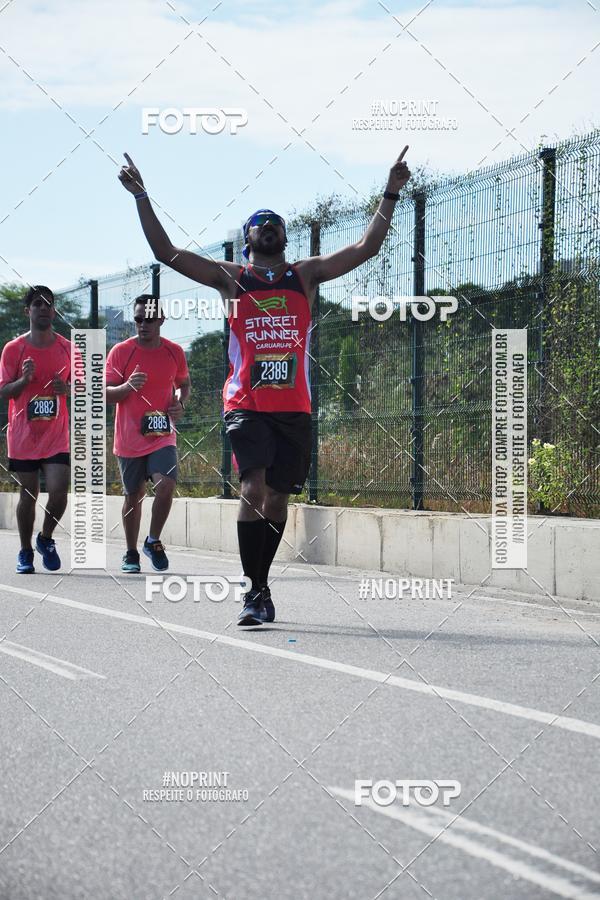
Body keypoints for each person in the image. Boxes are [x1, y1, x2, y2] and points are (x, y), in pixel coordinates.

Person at [118, 148, 411, 623]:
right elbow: (165, 252)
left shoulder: (306, 274)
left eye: (275, 222)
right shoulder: (232, 279)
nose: (268, 226)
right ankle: (253, 591)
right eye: (259, 222)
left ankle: (261, 582)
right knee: (252, 488)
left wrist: (392, 191)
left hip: (294, 408)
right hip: (245, 404)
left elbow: (365, 248)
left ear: (283, 236)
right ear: (248, 238)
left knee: (278, 498)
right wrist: (142, 196)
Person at [105, 295, 191, 573]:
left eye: (149, 319)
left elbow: (183, 383)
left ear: (162, 320)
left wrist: (179, 402)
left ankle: (153, 540)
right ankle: (131, 553)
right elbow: (104, 393)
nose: (143, 325)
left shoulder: (174, 352)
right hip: (129, 437)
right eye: (138, 319)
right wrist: (128, 386)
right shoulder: (121, 352)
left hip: (162, 433)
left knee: (166, 485)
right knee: (134, 496)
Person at [0, 286, 71, 574]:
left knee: (58, 492)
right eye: (37, 304)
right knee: (28, 493)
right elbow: (4, 390)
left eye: (48, 305)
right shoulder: (14, 349)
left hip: (56, 435)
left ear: (54, 311)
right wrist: (24, 380)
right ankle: (25, 550)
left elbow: (85, 385)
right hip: (23, 436)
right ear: (27, 311)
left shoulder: (67, 347)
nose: (44, 309)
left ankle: (45, 538)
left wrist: (67, 389)